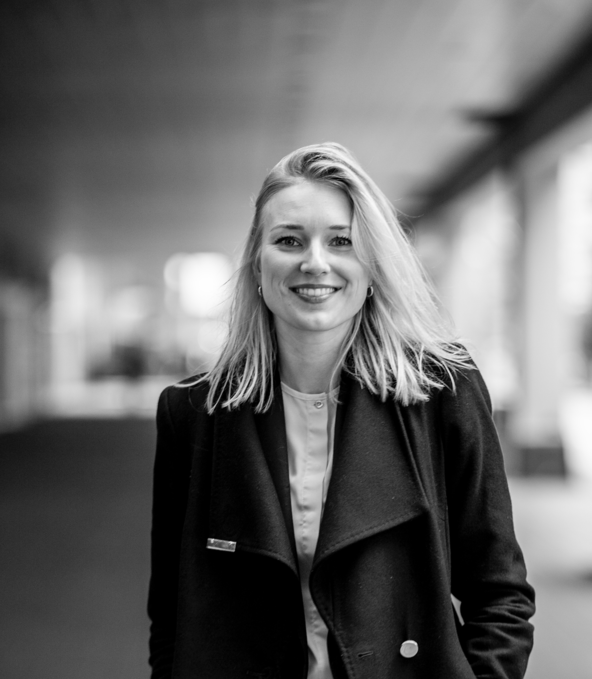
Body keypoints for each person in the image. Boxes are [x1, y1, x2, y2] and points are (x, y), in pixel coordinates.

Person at [148, 142, 535, 679]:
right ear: (257, 263)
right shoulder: (194, 413)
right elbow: (172, 611)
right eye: (288, 240)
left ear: (372, 265)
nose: (315, 262)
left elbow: (500, 595)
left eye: (341, 241)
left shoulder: (443, 392)